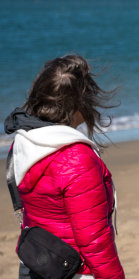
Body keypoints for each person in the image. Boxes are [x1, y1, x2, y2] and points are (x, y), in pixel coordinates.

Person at [4, 54, 124, 279]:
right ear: (79, 102)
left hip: (35, 264)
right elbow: (94, 241)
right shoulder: (76, 158)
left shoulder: (22, 143)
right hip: (74, 271)